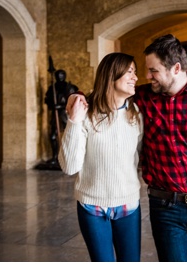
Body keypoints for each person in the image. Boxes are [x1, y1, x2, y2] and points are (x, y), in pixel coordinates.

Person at [68, 34, 187, 262]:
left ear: (176, 68)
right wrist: (76, 97)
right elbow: (107, 92)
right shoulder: (143, 97)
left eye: (153, 70)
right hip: (165, 207)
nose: (147, 76)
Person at [59, 53, 143, 262]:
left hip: (128, 204)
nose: (135, 78)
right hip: (92, 206)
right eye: (130, 71)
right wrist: (74, 120)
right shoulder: (86, 114)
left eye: (135, 72)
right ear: (112, 74)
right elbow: (69, 167)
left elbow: (140, 156)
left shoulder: (136, 114)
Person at [44, 69, 78, 167]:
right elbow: (47, 100)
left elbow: (73, 102)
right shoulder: (52, 88)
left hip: (66, 114)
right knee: (53, 136)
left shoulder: (69, 88)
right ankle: (55, 157)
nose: (59, 77)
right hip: (55, 115)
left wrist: (60, 106)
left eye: (61, 75)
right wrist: (52, 105)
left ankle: (70, 157)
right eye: (57, 75)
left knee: (70, 135)